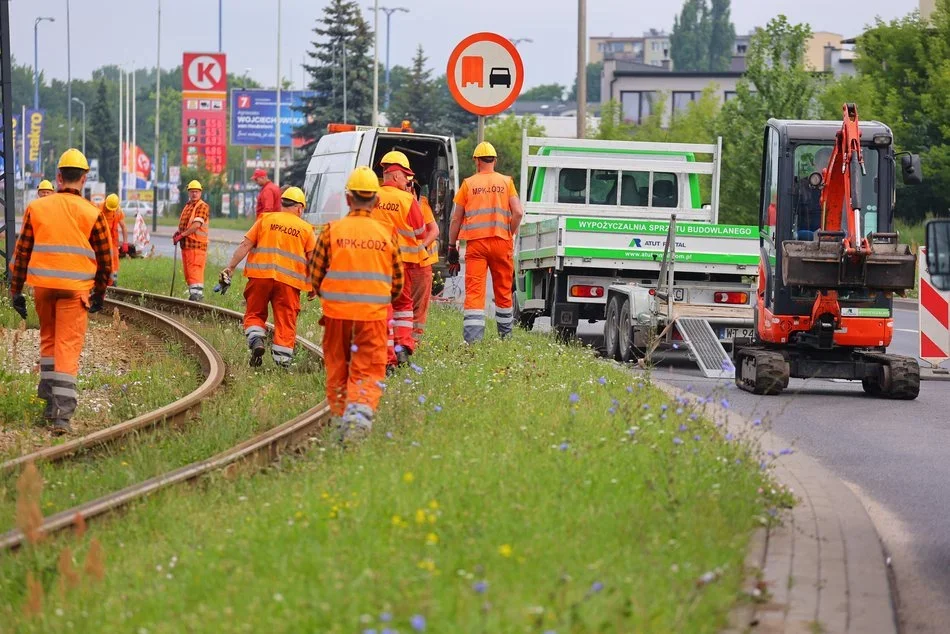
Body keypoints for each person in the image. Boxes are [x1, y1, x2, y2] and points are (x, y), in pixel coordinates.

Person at [8, 149, 113, 435]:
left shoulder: (37, 208)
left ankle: (48, 402)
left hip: (42, 287)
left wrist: (16, 291)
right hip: (75, 291)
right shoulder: (93, 213)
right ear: (84, 177)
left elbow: (21, 254)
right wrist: (99, 294)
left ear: (58, 177)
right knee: (67, 346)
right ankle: (62, 415)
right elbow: (106, 260)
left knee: (49, 340)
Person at [309, 166, 404, 443]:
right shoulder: (387, 233)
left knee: (338, 368)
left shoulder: (331, 231)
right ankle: (358, 422)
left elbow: (315, 276)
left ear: (348, 199)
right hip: (372, 318)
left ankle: (341, 419)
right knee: (368, 368)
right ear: (375, 201)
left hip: (337, 316)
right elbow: (397, 283)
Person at [218, 186, 317, 368]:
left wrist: (230, 267)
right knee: (285, 321)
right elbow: (313, 260)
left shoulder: (265, 220)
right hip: (288, 283)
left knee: (254, 313)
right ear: (300, 208)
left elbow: (245, 245)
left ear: (282, 204)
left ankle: (256, 339)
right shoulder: (306, 229)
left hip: (260, 277)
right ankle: (282, 363)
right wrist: (315, 286)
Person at [447, 141, 525, 343]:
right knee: (503, 289)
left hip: (476, 244)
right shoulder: (506, 182)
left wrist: (451, 245)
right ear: (495, 160)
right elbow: (518, 212)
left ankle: (473, 340)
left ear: (476, 161)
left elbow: (456, 219)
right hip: (501, 241)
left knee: (475, 291)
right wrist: (510, 231)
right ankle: (505, 337)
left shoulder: (468, 184)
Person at [376, 150, 427, 367]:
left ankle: (387, 354)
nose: (407, 180)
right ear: (396, 175)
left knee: (382, 307)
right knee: (403, 305)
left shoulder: (371, 197)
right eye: (405, 176)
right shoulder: (407, 200)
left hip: (375, 264)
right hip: (401, 264)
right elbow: (421, 233)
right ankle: (404, 345)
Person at [410, 179, 440, 346]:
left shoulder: (421, 205)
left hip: (421, 263)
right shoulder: (400, 203)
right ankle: (405, 342)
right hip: (407, 264)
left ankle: (414, 342)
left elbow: (434, 230)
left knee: (418, 307)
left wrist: (420, 246)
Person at [173, 180, 210, 301]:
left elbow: (196, 225)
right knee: (189, 273)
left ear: (200, 192)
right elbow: (185, 224)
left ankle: (197, 298)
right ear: (189, 192)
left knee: (195, 272)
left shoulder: (202, 206)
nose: (194, 194)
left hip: (197, 246)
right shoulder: (188, 206)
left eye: (197, 192)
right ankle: (193, 296)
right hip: (187, 246)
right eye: (192, 191)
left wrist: (182, 235)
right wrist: (178, 233)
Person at [100, 193, 128, 286]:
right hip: (101, 242)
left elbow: (124, 227)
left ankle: (113, 284)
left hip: (113, 243)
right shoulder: (99, 209)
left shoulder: (118, 211)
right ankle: (101, 284)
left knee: (114, 265)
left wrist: (125, 243)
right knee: (102, 263)